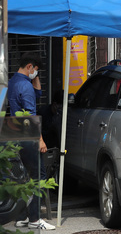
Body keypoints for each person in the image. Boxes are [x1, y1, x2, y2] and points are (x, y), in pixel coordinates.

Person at [9, 53, 56, 231]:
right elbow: (30, 114)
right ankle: (35, 219)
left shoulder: (13, 81)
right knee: (38, 177)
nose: (35, 75)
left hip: (14, 134)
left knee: (22, 177)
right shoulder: (25, 86)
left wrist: (36, 76)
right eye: (35, 71)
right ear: (29, 66)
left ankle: (21, 218)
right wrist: (41, 140)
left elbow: (38, 93)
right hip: (28, 136)